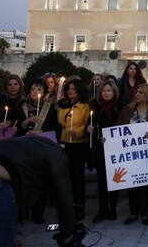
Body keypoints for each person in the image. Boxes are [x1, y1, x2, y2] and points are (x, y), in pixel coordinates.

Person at [0, 136, 82, 247]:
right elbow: (64, 199)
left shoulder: (19, 145)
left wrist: (10, 224)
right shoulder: (56, 155)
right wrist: (67, 234)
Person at [117, 83, 148, 226]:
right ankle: (133, 212)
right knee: (131, 184)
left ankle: (144, 213)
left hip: (146, 153)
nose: (138, 95)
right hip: (130, 154)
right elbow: (118, 129)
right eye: (136, 92)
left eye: (141, 92)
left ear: (147, 94)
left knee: (145, 185)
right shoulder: (127, 109)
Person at [87, 80, 122, 223]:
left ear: (114, 92)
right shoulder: (95, 106)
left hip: (116, 149)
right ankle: (103, 210)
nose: (106, 93)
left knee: (115, 179)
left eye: (109, 90)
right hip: (100, 149)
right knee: (102, 182)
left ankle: (113, 209)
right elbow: (89, 124)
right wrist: (89, 129)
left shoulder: (119, 107)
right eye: (104, 90)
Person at [56, 78, 91, 221]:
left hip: (78, 143)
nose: (71, 91)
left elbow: (88, 123)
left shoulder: (86, 106)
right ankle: (66, 205)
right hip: (64, 142)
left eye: (74, 89)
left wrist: (79, 130)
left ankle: (79, 206)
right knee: (65, 176)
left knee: (77, 176)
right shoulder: (62, 105)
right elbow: (58, 123)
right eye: (69, 89)